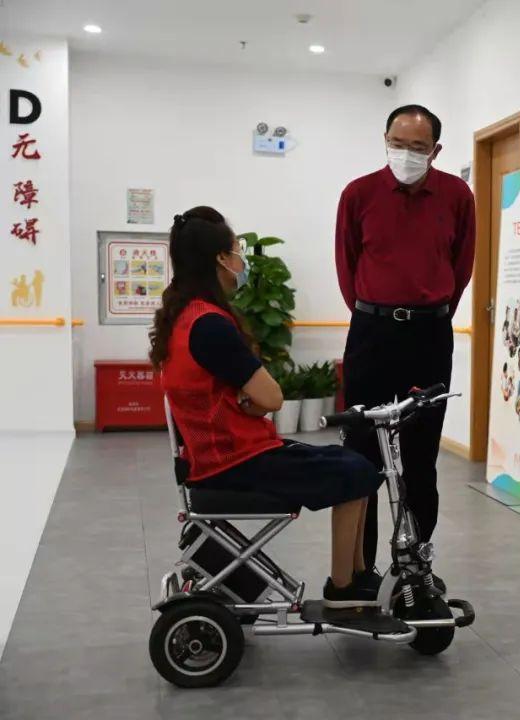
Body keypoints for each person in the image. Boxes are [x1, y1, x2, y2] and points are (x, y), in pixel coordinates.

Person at [150, 207, 383, 609]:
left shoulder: (181, 318)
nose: (241, 260)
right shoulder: (210, 325)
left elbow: (246, 395)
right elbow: (272, 398)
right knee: (357, 471)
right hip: (236, 461)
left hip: (215, 457)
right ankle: (343, 589)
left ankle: (358, 578)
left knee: (354, 466)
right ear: (221, 258)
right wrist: (252, 401)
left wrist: (248, 400)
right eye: (237, 250)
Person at [335, 105, 476, 581]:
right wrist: (374, 311)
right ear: (385, 140)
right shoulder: (359, 194)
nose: (406, 154)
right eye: (398, 144)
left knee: (421, 455)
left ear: (435, 150)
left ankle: (416, 562)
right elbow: (347, 264)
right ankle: (359, 568)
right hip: (371, 333)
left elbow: (461, 266)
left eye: (418, 147)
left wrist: (429, 311)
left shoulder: (456, 195)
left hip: (429, 335)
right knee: (362, 453)